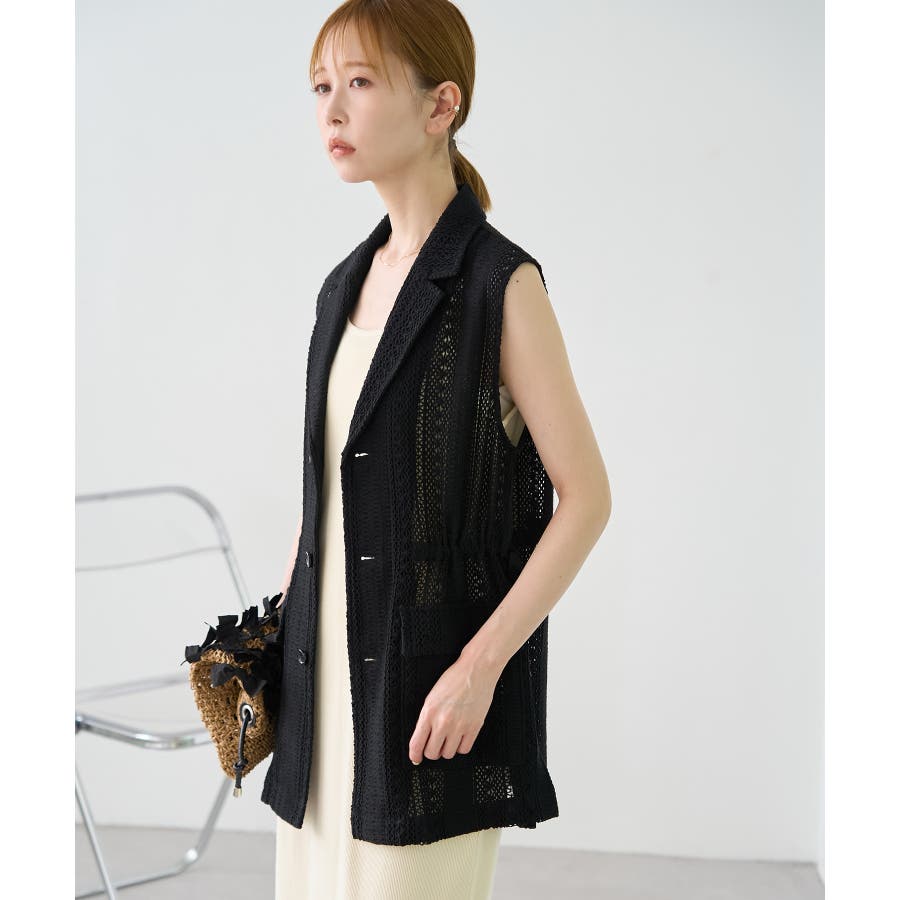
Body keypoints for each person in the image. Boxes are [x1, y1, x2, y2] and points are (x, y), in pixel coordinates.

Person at [271, 2, 612, 897]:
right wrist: (274, 633)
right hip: (319, 699)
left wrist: (479, 669)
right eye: (320, 86)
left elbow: (586, 499)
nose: (331, 110)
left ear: (440, 104)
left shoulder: (500, 284)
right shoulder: (342, 287)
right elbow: (329, 496)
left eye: (359, 82)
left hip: (426, 697)